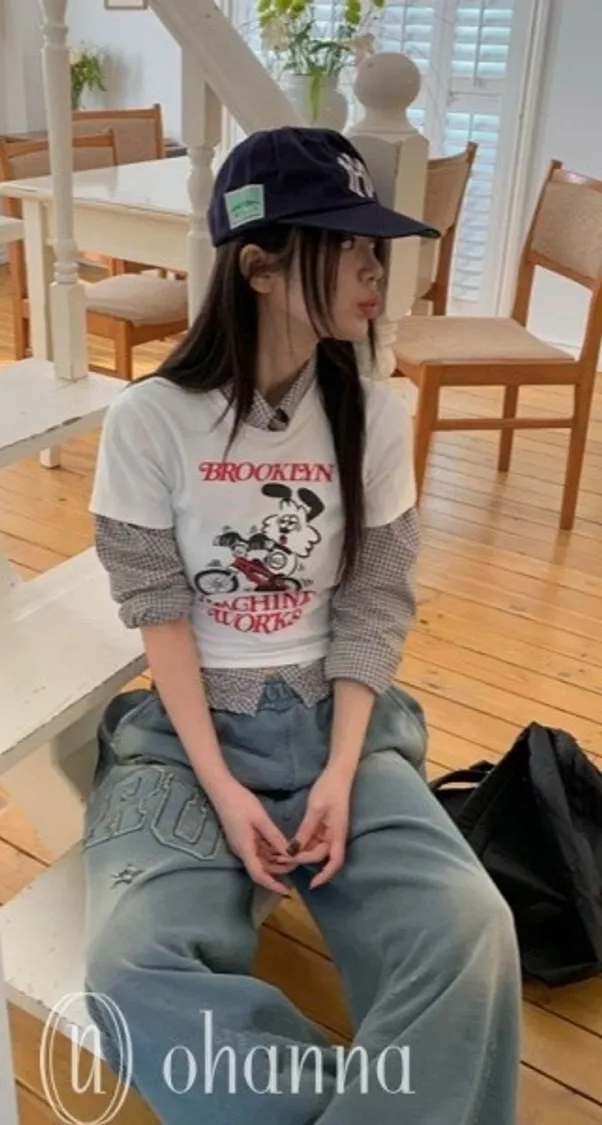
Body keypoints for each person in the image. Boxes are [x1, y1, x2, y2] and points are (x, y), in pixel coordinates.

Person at [82, 126, 522, 1125]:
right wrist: (224, 785)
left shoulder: (375, 414)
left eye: (376, 247)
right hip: (188, 739)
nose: (376, 269)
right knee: (129, 969)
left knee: (472, 930)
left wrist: (338, 771)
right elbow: (159, 614)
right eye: (347, 244)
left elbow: (375, 602)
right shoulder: (149, 422)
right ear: (260, 268)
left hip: (341, 729)